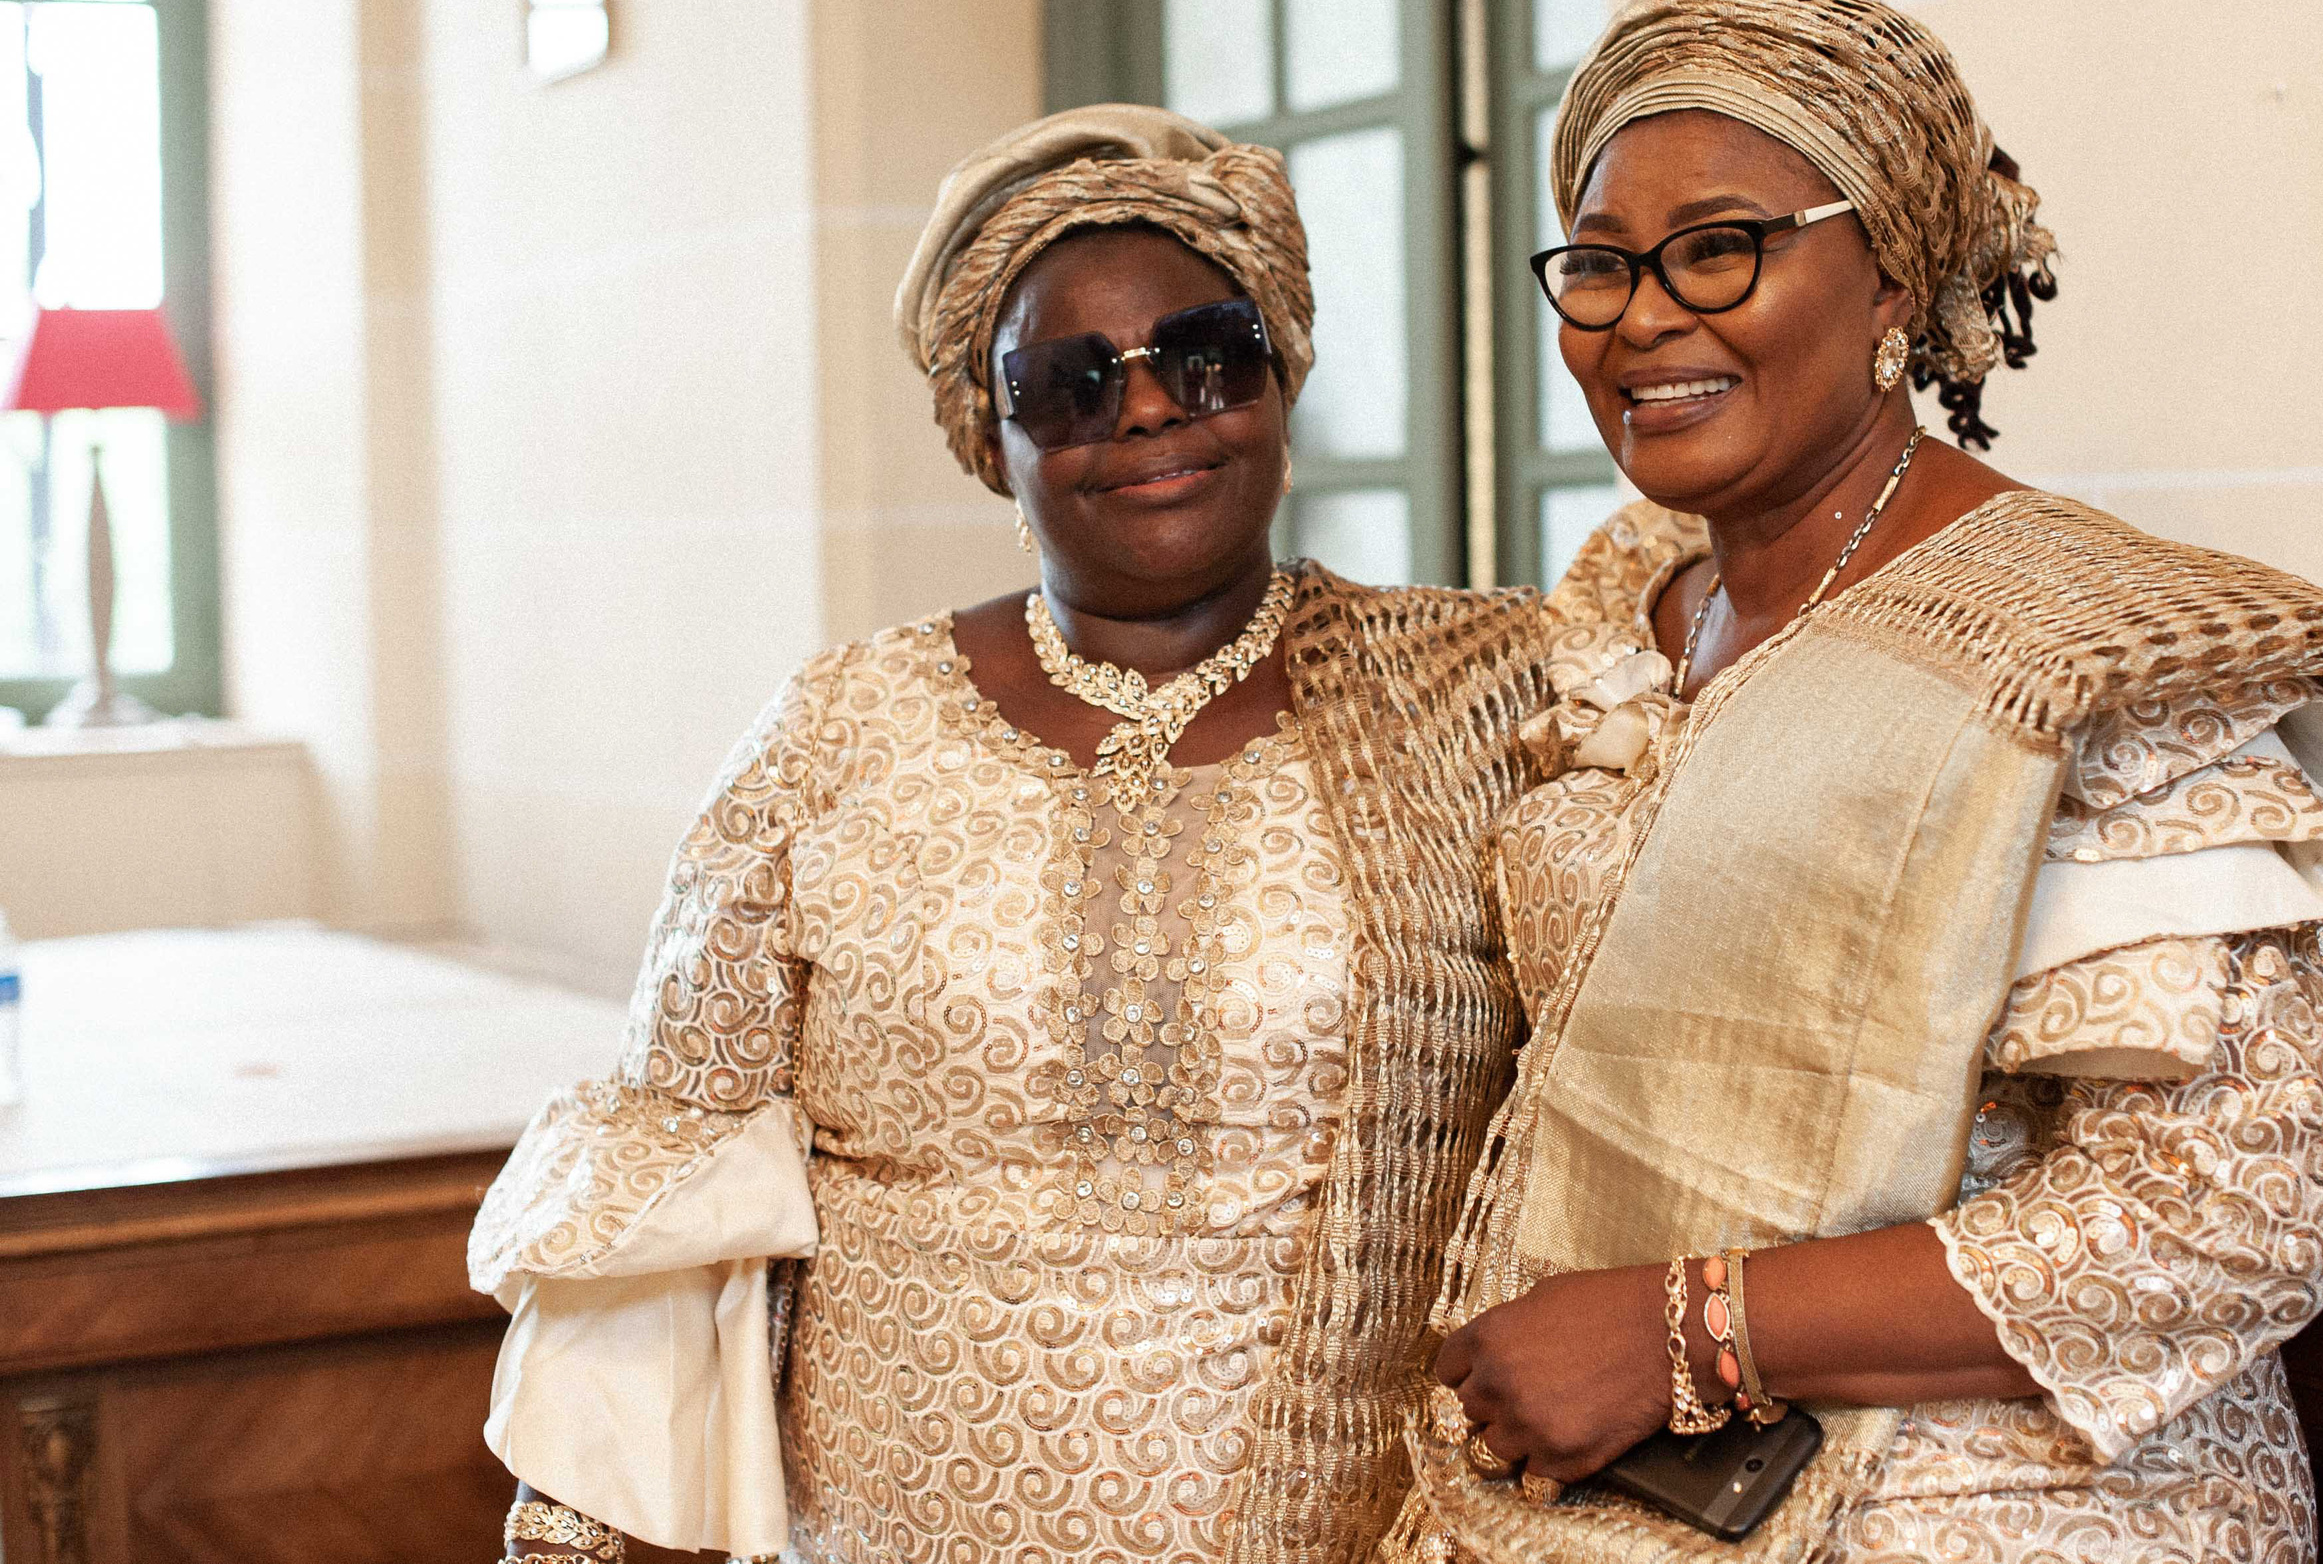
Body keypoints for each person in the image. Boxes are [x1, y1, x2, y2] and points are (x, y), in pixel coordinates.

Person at [1388, 0, 2323, 1563]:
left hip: (1996, 1502)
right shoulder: (1627, 609)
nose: (1642, 316)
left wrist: (1677, 1335)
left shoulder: (2085, 651)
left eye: (1720, 247)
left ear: (1894, 279)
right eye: (1597, 263)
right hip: (1630, 1477)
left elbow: (2223, 1215)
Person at [467, 104, 1548, 1563]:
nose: (1151, 410)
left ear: (1281, 375)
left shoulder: (1483, 700)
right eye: (1069, 384)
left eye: (1205, 354)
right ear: (993, 437)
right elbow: (671, 1170)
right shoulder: (841, 727)